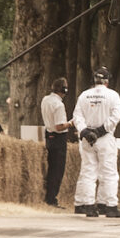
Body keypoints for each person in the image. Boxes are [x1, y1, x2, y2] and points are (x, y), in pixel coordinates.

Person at [72, 66, 120, 217]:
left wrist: (85, 131)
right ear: (107, 81)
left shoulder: (84, 95)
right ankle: (110, 206)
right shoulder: (113, 95)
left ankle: (88, 205)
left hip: (87, 138)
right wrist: (100, 131)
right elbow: (115, 117)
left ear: (94, 80)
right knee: (109, 172)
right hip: (104, 138)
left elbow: (77, 116)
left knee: (88, 171)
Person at [41, 77, 72, 208]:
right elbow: (60, 126)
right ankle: (51, 198)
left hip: (48, 135)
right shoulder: (59, 105)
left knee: (51, 167)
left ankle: (49, 196)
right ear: (64, 90)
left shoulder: (45, 99)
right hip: (58, 138)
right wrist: (71, 123)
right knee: (57, 169)